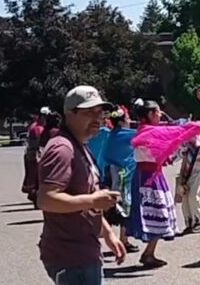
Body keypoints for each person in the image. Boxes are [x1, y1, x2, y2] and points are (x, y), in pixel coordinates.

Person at [37, 86, 125, 285]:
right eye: (88, 112)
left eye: (99, 112)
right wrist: (93, 200)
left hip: (84, 251)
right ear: (69, 114)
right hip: (70, 256)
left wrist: (108, 233)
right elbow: (47, 199)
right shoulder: (62, 149)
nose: (97, 118)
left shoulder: (80, 146)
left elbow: (84, 195)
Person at [128, 99, 200, 269]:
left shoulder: (146, 131)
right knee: (158, 212)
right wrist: (187, 130)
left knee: (157, 212)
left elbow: (167, 140)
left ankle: (149, 252)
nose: (160, 114)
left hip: (149, 174)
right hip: (149, 176)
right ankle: (148, 254)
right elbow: (172, 134)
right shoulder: (149, 132)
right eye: (157, 111)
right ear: (150, 114)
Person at [102, 106, 139, 254]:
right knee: (125, 206)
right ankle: (123, 240)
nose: (130, 121)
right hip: (123, 175)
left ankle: (110, 238)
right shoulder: (127, 134)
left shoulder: (111, 134)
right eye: (128, 118)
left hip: (110, 174)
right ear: (122, 121)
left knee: (110, 206)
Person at [178, 130, 200, 234]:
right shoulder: (184, 141)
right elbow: (183, 157)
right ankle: (189, 222)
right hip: (187, 170)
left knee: (193, 196)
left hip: (198, 170)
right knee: (185, 197)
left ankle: (198, 221)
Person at [23, 107, 49, 205]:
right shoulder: (37, 128)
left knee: (35, 177)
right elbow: (40, 143)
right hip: (36, 154)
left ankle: (35, 196)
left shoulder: (37, 126)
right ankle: (35, 197)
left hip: (34, 154)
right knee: (37, 178)